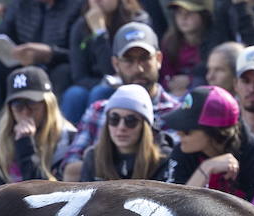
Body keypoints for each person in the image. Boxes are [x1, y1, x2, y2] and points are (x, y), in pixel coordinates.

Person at [61, 21, 184, 178]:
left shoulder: (177, 113)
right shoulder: (98, 110)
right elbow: (70, 172)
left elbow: (179, 171)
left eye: (145, 58)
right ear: (115, 64)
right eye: (128, 60)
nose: (138, 69)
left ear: (158, 59)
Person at [0, 0, 87, 133]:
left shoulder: (78, 5)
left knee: (64, 73)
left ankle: (52, 133)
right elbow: (3, 32)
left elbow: (82, 56)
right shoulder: (21, 3)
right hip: (21, 63)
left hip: (57, 66)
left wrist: (50, 53)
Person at [0, 65, 77, 188]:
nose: (25, 112)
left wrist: (26, 147)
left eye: (32, 102)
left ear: (48, 104)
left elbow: (44, 195)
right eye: (18, 104)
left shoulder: (69, 140)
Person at [167, 83, 254, 198]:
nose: (178, 133)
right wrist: (205, 169)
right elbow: (173, 209)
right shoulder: (184, 150)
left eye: (187, 130)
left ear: (215, 132)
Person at [66, 0, 150, 122]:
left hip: (128, 82)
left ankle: (99, 136)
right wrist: (103, 81)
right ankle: (71, 139)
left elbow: (112, 69)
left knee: (100, 92)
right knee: (74, 94)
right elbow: (79, 76)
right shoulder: (81, 26)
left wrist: (99, 33)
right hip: (96, 82)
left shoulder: (136, 20)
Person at [159, 0, 254, 97]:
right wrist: (170, 84)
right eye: (179, 13)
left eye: (189, 13)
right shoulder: (169, 42)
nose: (183, 18)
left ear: (204, 15)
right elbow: (164, 74)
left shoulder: (217, 40)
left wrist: (191, 81)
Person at [79, 82, 173, 178]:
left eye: (130, 120)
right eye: (114, 119)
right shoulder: (93, 157)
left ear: (145, 126)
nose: (121, 127)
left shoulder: (164, 159)